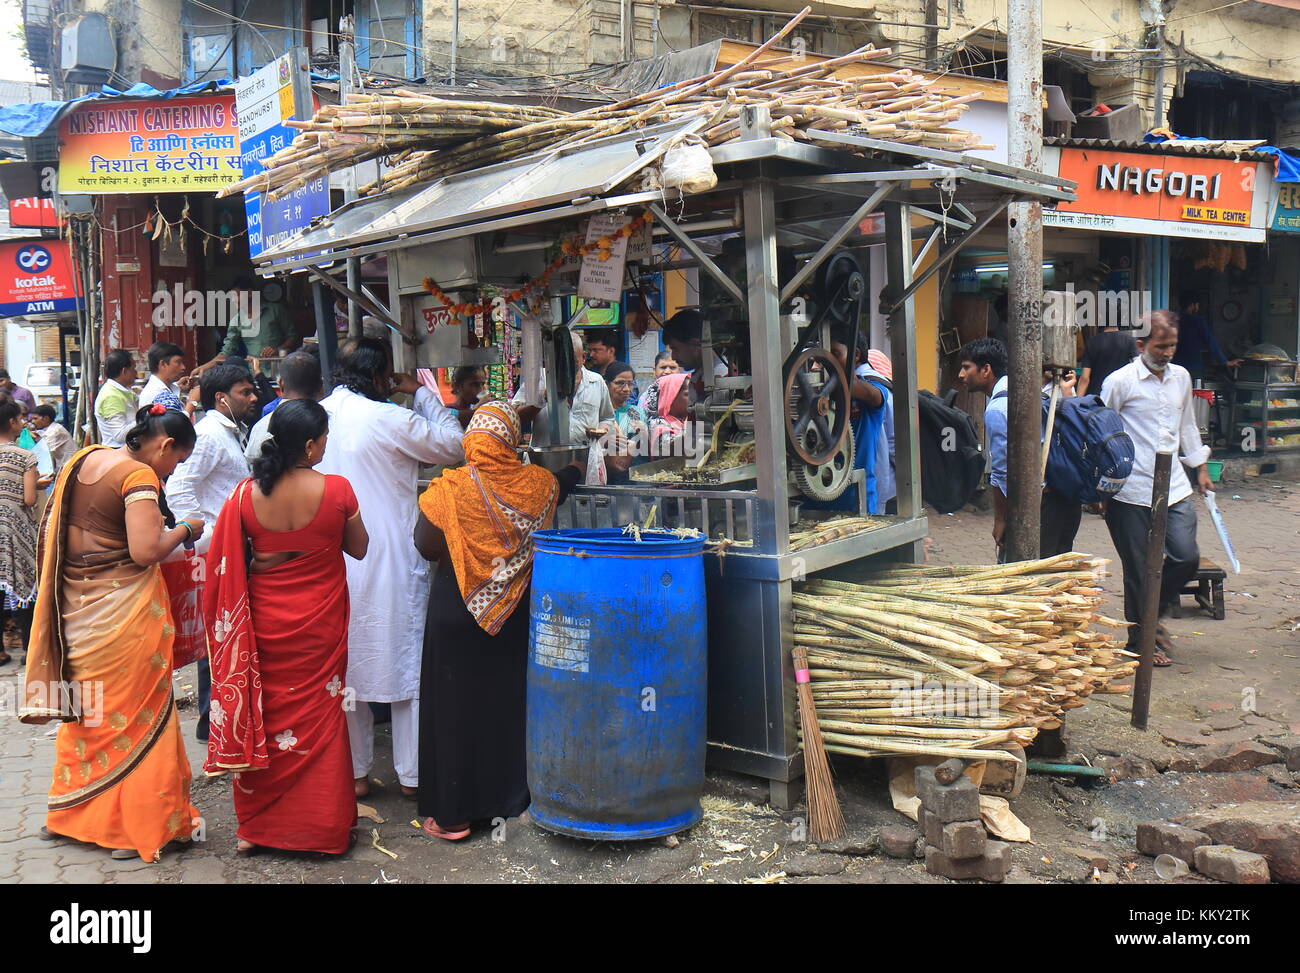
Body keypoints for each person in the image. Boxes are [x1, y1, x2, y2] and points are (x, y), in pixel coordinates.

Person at [20, 405, 203, 862]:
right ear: (164, 446)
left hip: (77, 618)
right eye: (176, 461)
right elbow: (145, 551)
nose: (172, 470)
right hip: (125, 619)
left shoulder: (84, 460)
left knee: (89, 716)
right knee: (138, 718)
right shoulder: (137, 478)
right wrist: (185, 528)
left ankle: (70, 817)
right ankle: (131, 829)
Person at [204, 399, 369, 856]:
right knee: (322, 717)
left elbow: (228, 562)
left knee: (265, 711)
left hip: (263, 621)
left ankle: (255, 831)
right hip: (320, 624)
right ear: (313, 445)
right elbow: (359, 549)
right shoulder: (338, 490)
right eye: (324, 441)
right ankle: (323, 831)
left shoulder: (244, 494)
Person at [414, 401, 582, 840]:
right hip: (515, 613)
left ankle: (451, 816)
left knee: (454, 708)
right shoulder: (538, 484)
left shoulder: (448, 488)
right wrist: (579, 467)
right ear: (511, 440)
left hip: (455, 610)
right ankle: (510, 801)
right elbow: (560, 485)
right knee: (507, 704)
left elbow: (426, 546)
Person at [315, 337, 464, 799]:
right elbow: (454, 445)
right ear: (380, 376)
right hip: (390, 558)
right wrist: (421, 391)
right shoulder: (389, 416)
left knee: (349, 667)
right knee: (405, 664)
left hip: (332, 557)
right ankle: (413, 777)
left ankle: (356, 774)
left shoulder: (317, 414)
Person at [1101, 310, 1213, 667]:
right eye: (1161, 346)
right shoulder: (1120, 382)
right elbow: (1102, 433)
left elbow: (1188, 425)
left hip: (1175, 486)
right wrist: (1100, 489)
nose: (1167, 353)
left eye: (1173, 346)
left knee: (1185, 556)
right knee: (1137, 568)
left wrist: (1201, 467)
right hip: (1130, 490)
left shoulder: (1181, 377)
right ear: (1141, 344)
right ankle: (1141, 641)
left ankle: (1154, 616)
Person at [166, 363, 260, 741]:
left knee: (224, 627)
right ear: (221, 398)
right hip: (217, 550)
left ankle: (221, 714)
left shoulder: (229, 431)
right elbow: (179, 486)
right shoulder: (206, 434)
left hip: (232, 547)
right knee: (216, 630)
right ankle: (211, 718)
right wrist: (203, 535)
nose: (253, 398)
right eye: (244, 392)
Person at [825, 329, 891, 515]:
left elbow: (869, 394)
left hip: (855, 499)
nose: (827, 360)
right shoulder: (818, 390)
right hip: (814, 495)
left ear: (855, 355)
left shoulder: (874, 389)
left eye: (834, 354)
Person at [514, 330, 613, 445]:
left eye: (572, 361)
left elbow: (607, 418)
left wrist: (600, 431)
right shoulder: (538, 378)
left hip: (585, 458)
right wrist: (543, 397)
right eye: (560, 361)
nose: (565, 366)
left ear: (583, 357)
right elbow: (515, 418)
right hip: (546, 459)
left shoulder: (597, 382)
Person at [958, 338, 1009, 552]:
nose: (961, 375)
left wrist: (1000, 519)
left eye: (966, 367)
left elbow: (1003, 470)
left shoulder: (997, 408)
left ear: (986, 369)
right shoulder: (1022, 390)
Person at [0, 399, 39, 666]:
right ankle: (29, 650)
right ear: (13, 422)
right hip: (17, 529)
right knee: (25, 585)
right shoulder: (26, 456)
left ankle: (1, 652)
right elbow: (28, 499)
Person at [195, 279, 299, 377]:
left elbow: (293, 336)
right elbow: (228, 350)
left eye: (237, 295)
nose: (234, 300)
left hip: (279, 370)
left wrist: (277, 349)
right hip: (255, 372)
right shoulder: (236, 320)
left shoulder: (275, 310)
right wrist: (207, 366)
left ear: (249, 293)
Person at [246, 352, 322, 462]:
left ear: (281, 384)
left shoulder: (262, 426)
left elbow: (252, 467)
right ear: (320, 385)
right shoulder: (335, 420)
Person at [1173, 292, 1241, 379]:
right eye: (1197, 305)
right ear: (1193, 305)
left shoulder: (1174, 320)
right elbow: (1210, 342)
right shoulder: (1198, 321)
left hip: (1175, 367)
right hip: (1193, 367)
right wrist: (1225, 362)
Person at [1077, 324, 1137, 397]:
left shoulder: (1091, 342)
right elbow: (1137, 368)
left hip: (1096, 399)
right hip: (1121, 394)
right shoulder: (1129, 340)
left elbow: (1085, 378)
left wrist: (1077, 401)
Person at [94, 350, 139, 447]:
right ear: (124, 371)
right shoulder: (111, 396)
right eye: (133, 369)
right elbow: (119, 435)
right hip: (118, 451)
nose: (136, 373)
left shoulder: (123, 391)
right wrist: (144, 420)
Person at [139, 341, 193, 416]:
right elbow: (174, 424)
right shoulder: (155, 393)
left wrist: (177, 387)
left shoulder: (168, 388)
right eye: (178, 362)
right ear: (163, 364)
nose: (183, 367)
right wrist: (193, 402)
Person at [648, 371, 692, 456]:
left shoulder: (682, 420)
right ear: (671, 397)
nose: (694, 398)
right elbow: (667, 448)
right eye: (688, 394)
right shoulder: (659, 423)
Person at [31, 404, 74, 472]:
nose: (32, 422)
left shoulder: (55, 431)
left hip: (69, 468)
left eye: (35, 418)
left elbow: (45, 452)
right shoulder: (48, 429)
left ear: (46, 419)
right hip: (62, 468)